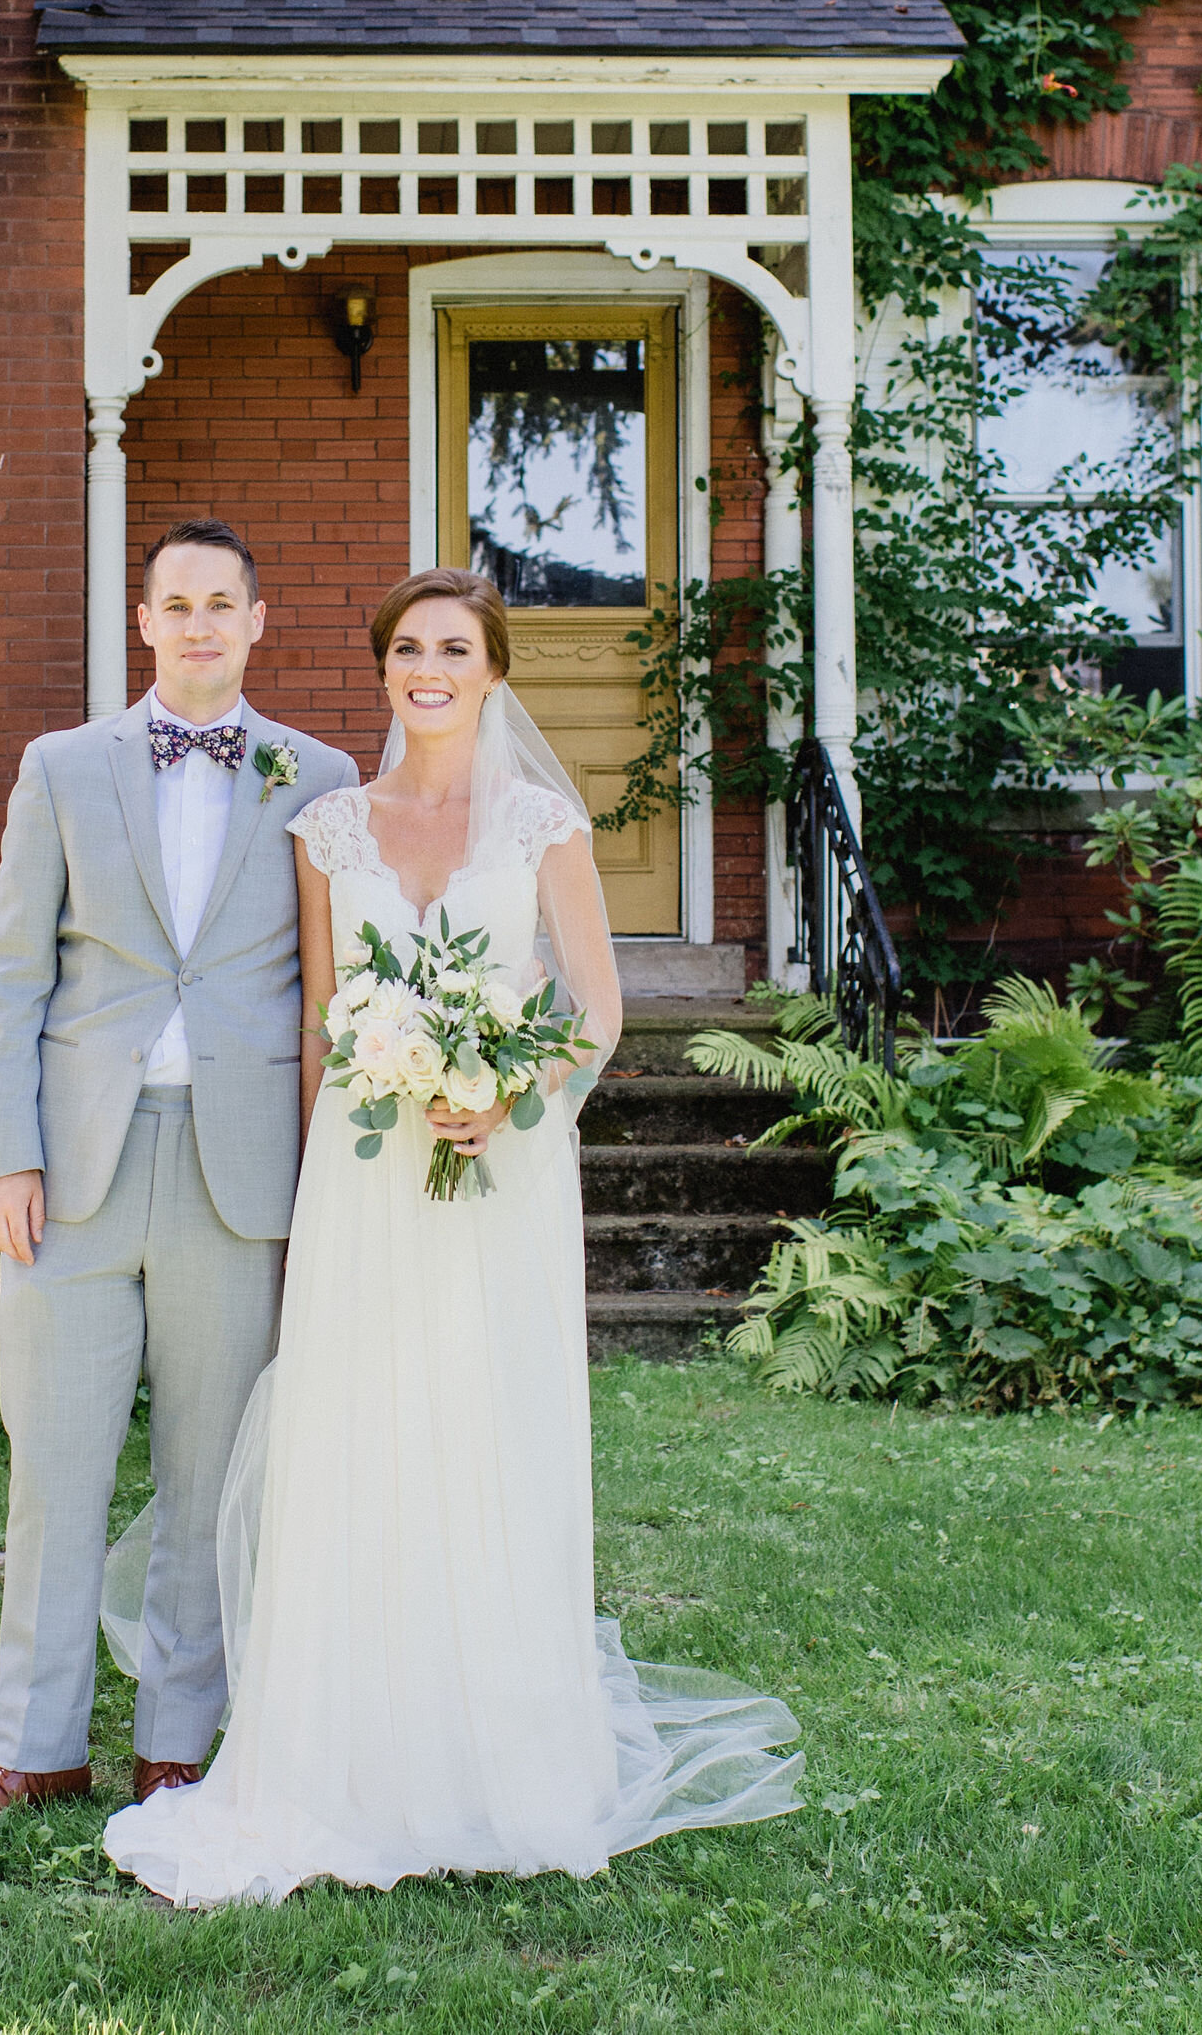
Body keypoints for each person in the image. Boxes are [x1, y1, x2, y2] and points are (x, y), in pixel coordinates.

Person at [101, 566, 803, 1904]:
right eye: (407, 648)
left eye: (454, 649)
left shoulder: (539, 824)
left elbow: (593, 1009)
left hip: (500, 1176)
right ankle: (338, 1749)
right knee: (356, 1430)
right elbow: (321, 1027)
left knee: (481, 1426)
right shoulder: (331, 832)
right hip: (366, 1188)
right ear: (385, 671)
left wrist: (510, 1093)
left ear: (493, 673)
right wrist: (311, 1199)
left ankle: (494, 1745)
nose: (427, 668)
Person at [0, 519, 357, 1834]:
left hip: (240, 1170)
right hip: (77, 1173)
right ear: (146, 622)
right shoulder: (61, 769)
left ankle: (178, 1747)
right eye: (180, 604)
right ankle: (33, 1749)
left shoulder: (318, 777)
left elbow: (337, 987)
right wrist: (5, 1151)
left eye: (226, 602)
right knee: (53, 1466)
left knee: (209, 1472)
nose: (203, 625)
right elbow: (10, 973)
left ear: (259, 620)